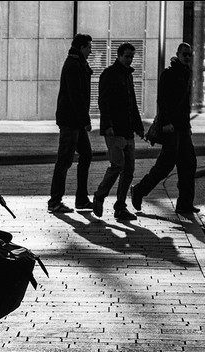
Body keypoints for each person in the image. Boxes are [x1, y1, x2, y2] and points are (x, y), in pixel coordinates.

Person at [132, 42, 199, 218]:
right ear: (177, 54)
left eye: (189, 54)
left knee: (189, 164)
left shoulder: (187, 73)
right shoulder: (169, 74)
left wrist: (188, 126)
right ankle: (138, 191)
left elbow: (185, 105)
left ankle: (185, 204)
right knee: (164, 166)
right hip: (171, 128)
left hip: (183, 128)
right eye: (184, 54)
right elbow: (162, 101)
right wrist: (166, 123)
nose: (187, 57)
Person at [92, 42, 144, 221]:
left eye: (132, 57)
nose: (130, 60)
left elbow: (132, 103)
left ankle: (120, 206)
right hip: (115, 130)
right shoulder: (109, 74)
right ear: (119, 55)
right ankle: (100, 196)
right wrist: (107, 126)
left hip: (128, 129)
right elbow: (103, 101)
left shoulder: (128, 76)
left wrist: (138, 126)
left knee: (128, 169)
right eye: (127, 56)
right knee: (117, 165)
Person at [48, 33, 94, 213]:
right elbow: (76, 96)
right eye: (89, 47)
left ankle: (81, 199)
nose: (90, 51)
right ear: (81, 47)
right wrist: (86, 120)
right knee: (64, 160)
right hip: (71, 120)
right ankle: (55, 201)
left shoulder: (78, 62)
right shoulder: (73, 65)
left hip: (74, 120)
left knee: (86, 154)